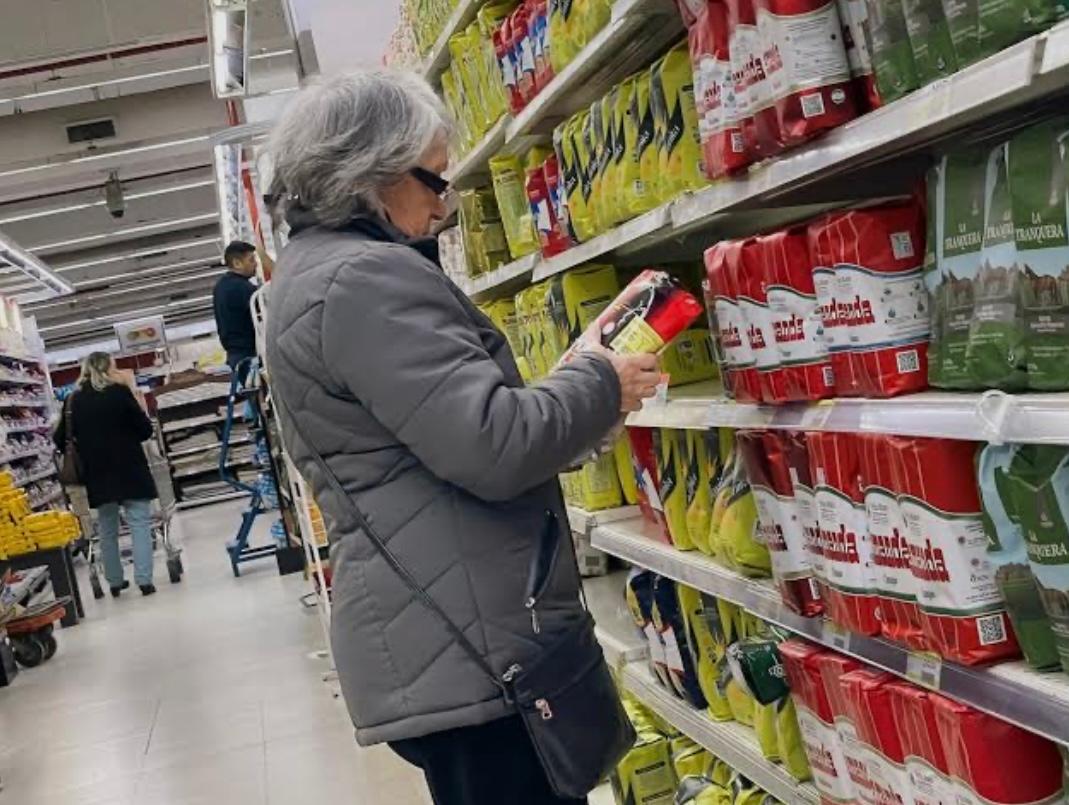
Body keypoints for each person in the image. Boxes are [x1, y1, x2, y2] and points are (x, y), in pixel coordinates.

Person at [266, 71, 661, 805]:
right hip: (471, 646)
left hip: (440, 632)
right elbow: (494, 445)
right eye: (434, 179)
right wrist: (600, 381)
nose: (444, 206)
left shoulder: (315, 273)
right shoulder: (362, 280)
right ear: (371, 173)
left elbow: (442, 428)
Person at [54, 353, 158, 597]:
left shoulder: (73, 400)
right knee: (139, 524)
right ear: (110, 368)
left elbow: (60, 439)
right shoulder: (120, 393)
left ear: (85, 370)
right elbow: (145, 430)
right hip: (130, 468)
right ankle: (144, 580)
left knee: (107, 528)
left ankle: (114, 581)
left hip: (97, 473)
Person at [212, 240, 260, 381]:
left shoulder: (221, 285)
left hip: (235, 355)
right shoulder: (242, 288)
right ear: (237, 263)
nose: (256, 264)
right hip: (249, 355)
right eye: (251, 260)